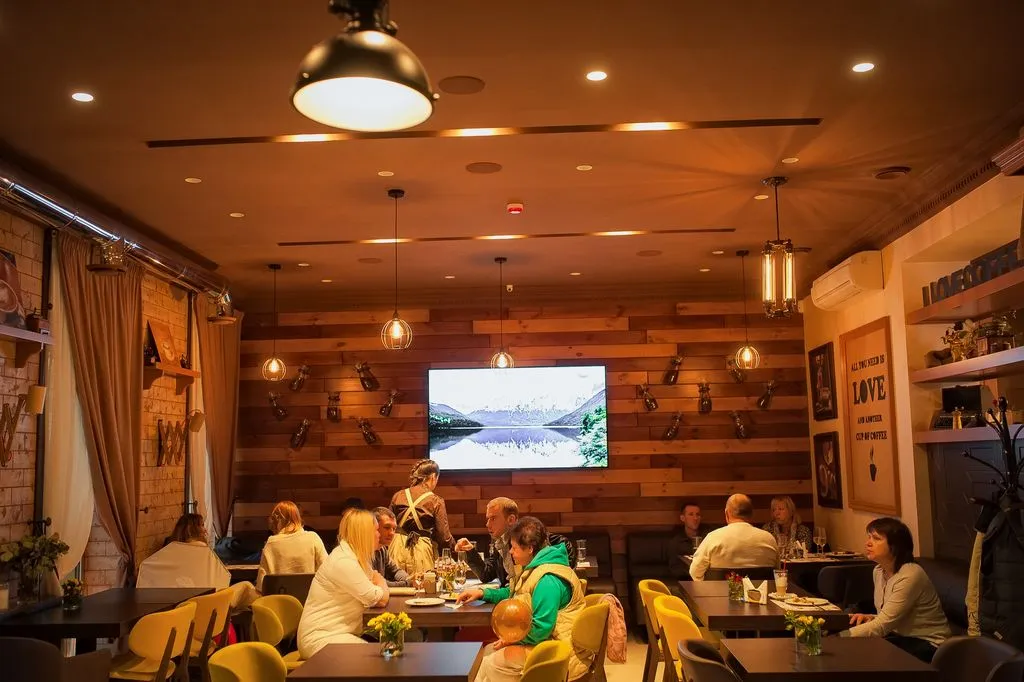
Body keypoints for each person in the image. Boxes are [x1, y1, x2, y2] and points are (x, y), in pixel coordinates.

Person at [456, 516, 589, 682]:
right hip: (547, 644)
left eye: (514, 547)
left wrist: (510, 640)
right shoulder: (537, 568)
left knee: (493, 662)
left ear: (530, 548)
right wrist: (482, 593)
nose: (511, 552)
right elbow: (516, 592)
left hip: (560, 653)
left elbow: (541, 628)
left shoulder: (548, 578)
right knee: (488, 653)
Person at [842, 517, 950, 662]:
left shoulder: (910, 575)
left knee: (858, 653)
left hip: (927, 643)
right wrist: (871, 617)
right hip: (898, 636)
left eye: (876, 538)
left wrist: (840, 637)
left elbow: (882, 626)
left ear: (895, 546)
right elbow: (887, 618)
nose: (868, 543)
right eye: (869, 537)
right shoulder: (878, 571)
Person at [297, 509, 390, 659]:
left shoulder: (353, 557)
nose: (379, 535)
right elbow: (377, 598)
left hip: (337, 634)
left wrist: (379, 585)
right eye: (376, 530)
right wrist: (381, 582)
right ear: (365, 533)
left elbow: (375, 591)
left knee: (388, 649)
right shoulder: (344, 561)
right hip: (321, 639)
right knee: (380, 657)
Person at [138, 513, 256, 608]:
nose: (205, 530)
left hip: (172, 609)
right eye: (202, 525)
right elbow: (217, 582)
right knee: (247, 587)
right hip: (203, 608)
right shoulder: (201, 550)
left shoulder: (168, 551)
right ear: (194, 529)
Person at [455, 497, 577, 587]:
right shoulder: (500, 542)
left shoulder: (527, 536)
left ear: (511, 519)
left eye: (493, 518)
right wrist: (470, 551)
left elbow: (563, 543)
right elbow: (486, 575)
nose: (487, 524)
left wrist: (554, 576)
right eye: (487, 519)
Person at [389, 459, 456, 574]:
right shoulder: (435, 501)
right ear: (433, 477)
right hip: (421, 549)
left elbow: (388, 524)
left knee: (397, 581)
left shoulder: (398, 496)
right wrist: (456, 551)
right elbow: (444, 536)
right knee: (423, 583)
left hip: (396, 548)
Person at [689, 494, 778, 581]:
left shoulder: (713, 537)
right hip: (762, 591)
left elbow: (695, 572)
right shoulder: (769, 539)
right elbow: (778, 571)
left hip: (719, 591)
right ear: (751, 514)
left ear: (727, 513)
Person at [255, 501, 328, 592]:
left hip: (281, 598)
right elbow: (327, 571)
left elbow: (261, 585)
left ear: (278, 520)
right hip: (310, 597)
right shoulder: (313, 538)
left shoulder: (271, 543)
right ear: (298, 517)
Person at [669, 501, 715, 579]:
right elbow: (674, 569)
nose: (695, 518)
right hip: (686, 580)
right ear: (682, 518)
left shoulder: (708, 537)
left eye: (698, 515)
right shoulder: (676, 542)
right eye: (691, 514)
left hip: (707, 579)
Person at [371, 507, 412, 587]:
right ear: (374, 527)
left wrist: (408, 579)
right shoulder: (363, 551)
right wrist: (407, 583)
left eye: (394, 528)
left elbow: (396, 571)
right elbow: (377, 583)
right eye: (387, 527)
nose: (392, 533)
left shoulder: (382, 549)